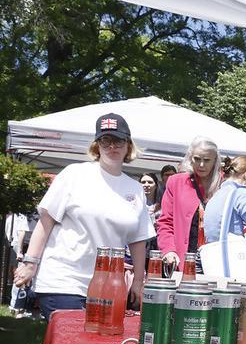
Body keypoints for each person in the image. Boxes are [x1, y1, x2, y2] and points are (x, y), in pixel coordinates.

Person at [13, 113, 154, 321]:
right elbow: (46, 221)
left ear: (128, 145)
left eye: (118, 140)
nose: (112, 147)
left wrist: (138, 281)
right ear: (97, 146)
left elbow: (138, 239)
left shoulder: (135, 189)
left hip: (108, 288)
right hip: (64, 280)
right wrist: (30, 262)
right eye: (105, 141)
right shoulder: (74, 174)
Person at [157, 137, 222, 271]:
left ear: (215, 161)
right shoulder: (176, 182)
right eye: (197, 159)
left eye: (207, 160)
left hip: (217, 261)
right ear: (190, 158)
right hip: (183, 259)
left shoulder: (225, 185)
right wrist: (169, 250)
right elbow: (165, 222)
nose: (201, 165)